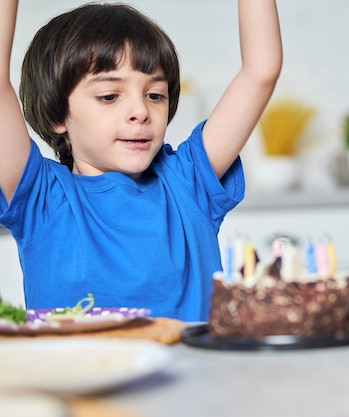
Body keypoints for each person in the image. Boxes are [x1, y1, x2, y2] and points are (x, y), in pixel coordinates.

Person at [0, 1, 282, 321]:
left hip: (199, 373)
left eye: (155, 95)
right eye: (109, 96)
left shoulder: (188, 181)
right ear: (56, 114)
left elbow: (261, 72)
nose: (141, 112)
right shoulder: (40, 198)